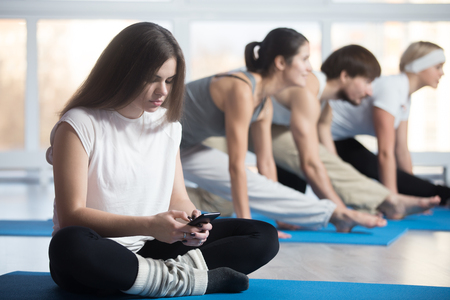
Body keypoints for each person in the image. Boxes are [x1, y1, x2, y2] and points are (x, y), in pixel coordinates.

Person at [46, 22, 279, 298]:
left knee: (263, 236)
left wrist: (192, 223)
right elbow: (73, 216)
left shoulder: (168, 126)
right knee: (68, 243)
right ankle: (189, 279)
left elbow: (177, 197)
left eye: (169, 80)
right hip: (98, 251)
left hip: (152, 246)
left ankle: (154, 279)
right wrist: (149, 224)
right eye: (153, 79)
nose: (163, 91)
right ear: (123, 72)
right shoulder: (78, 124)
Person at [180, 28, 387, 239]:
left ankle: (336, 215)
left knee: (254, 182)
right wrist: (249, 229)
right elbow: (236, 166)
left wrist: (279, 216)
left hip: (185, 149)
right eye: (304, 59)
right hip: (158, 143)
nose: (309, 68)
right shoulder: (242, 89)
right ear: (280, 63)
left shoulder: (265, 101)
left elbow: (266, 163)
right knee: (235, 182)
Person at [270, 45, 440, 221]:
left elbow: (333, 163)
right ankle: (383, 203)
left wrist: (353, 205)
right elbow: (310, 164)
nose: (370, 91)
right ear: (345, 76)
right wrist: (343, 212)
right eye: (367, 82)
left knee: (332, 165)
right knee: (314, 160)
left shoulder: (325, 108)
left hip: (272, 125)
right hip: (260, 125)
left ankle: (386, 201)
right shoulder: (311, 89)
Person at [330, 41, 449, 206]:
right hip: (329, 136)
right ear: (420, 67)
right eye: (437, 67)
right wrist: (397, 202)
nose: (442, 73)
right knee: (372, 164)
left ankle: (435, 196)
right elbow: (385, 152)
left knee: (384, 168)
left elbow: (401, 150)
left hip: (341, 139)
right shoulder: (392, 89)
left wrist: (412, 197)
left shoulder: (405, 95)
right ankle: (442, 195)